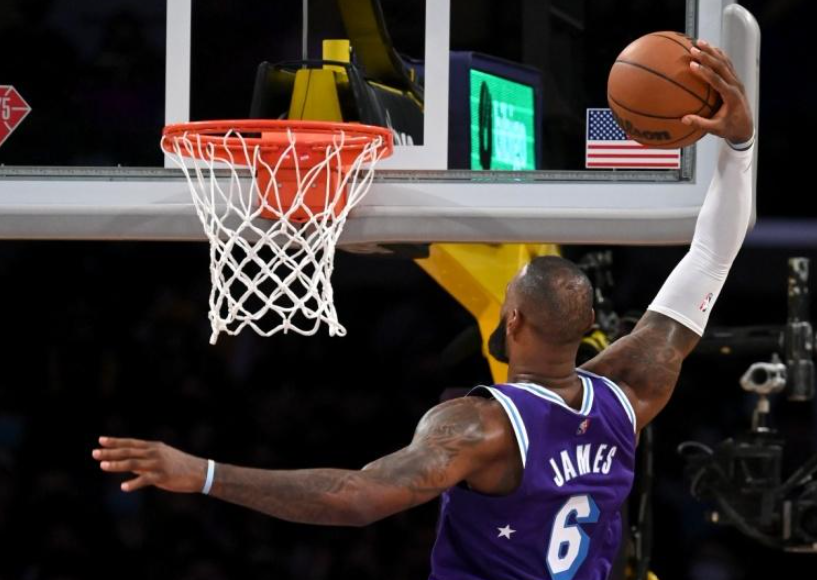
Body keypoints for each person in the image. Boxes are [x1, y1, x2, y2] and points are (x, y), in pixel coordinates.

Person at [93, 41, 755, 580]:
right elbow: (709, 258)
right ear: (587, 328)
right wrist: (739, 144)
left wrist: (203, 474)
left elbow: (354, 499)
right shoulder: (632, 392)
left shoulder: (478, 427)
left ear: (513, 320)